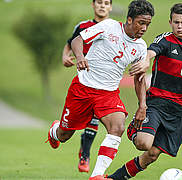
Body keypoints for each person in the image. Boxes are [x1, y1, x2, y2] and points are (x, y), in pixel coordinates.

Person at [106, 3, 182, 179]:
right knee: (143, 143)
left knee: (152, 155)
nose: (180, 26)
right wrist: (146, 60)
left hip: (178, 110)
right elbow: (151, 51)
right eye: (176, 22)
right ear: (170, 22)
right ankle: (133, 128)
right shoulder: (165, 39)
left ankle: (114, 178)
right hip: (156, 103)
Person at [45, 0, 155, 179]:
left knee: (117, 127)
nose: (144, 28)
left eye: (147, 24)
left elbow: (139, 79)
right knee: (64, 135)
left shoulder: (141, 47)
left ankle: (96, 175)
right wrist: (80, 57)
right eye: (141, 23)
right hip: (82, 89)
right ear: (129, 20)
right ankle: (54, 132)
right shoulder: (109, 26)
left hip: (108, 94)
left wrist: (142, 105)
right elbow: (77, 40)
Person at [62, 0, 112, 173]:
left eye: (106, 3)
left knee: (95, 117)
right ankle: (67, 136)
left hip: (103, 83)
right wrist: (65, 56)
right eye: (99, 2)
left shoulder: (114, 29)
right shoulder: (83, 26)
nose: (102, 6)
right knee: (70, 127)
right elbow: (70, 43)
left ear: (111, 7)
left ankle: (85, 155)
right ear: (93, 5)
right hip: (84, 81)